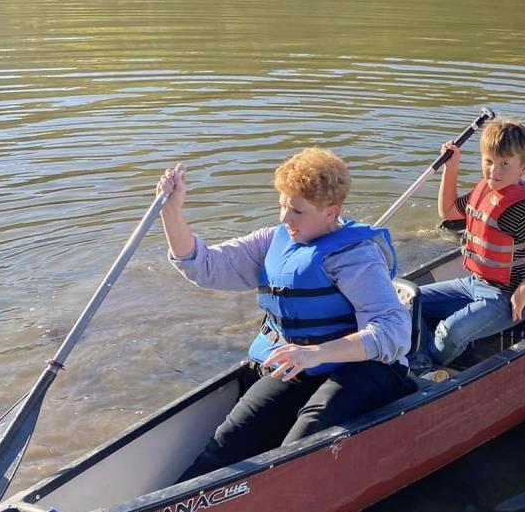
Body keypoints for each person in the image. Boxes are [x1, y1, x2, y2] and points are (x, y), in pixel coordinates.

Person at [157, 148, 414, 480]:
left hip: (363, 370)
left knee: (299, 445)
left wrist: (314, 353)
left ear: (330, 212)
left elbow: (393, 331)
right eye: (282, 205)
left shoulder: (356, 257)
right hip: (299, 364)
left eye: (297, 211)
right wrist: (171, 213)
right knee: (229, 441)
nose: (284, 219)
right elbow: (203, 265)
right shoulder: (271, 241)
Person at [416, 118, 525, 369]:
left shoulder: (521, 210)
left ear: (524, 166)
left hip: (506, 298)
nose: (494, 172)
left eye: (504, 164)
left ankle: (427, 372)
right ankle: (419, 359)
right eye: (488, 161)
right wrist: (451, 167)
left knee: (448, 331)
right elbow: (447, 211)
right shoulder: (486, 190)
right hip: (473, 284)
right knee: (411, 301)